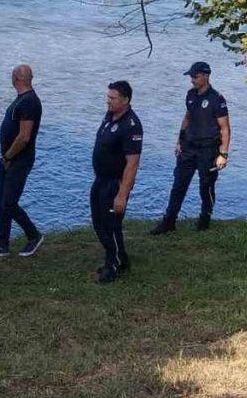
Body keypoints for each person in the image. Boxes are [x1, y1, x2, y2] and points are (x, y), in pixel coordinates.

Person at [149, 62, 231, 234]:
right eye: (191, 77)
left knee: (206, 186)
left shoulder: (217, 99)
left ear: (206, 76)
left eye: (195, 76)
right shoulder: (191, 95)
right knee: (179, 184)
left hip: (208, 150)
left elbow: (225, 128)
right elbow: (187, 117)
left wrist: (223, 154)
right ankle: (169, 222)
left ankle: (204, 220)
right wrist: (179, 140)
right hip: (188, 147)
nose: (192, 80)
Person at [0, 64, 44, 257]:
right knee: (2, 200)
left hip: (18, 159)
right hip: (9, 158)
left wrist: (8, 156)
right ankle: (1, 243)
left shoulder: (29, 102)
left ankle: (33, 235)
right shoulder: (22, 100)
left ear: (15, 78)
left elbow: (24, 137)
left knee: (9, 202)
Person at [90, 81, 143, 284]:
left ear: (126, 100)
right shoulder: (110, 116)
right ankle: (121, 258)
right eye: (108, 97)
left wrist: (122, 194)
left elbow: (132, 163)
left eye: (112, 98)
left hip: (115, 183)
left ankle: (112, 266)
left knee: (110, 225)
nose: (108, 101)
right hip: (101, 179)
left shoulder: (131, 125)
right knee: (98, 222)